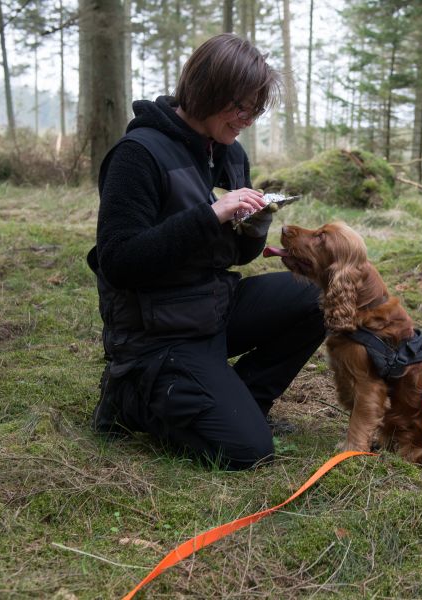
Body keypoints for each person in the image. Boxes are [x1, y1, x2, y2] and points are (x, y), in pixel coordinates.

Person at [86, 33, 325, 470]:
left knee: (319, 298)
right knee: (249, 453)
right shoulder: (137, 155)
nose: (247, 119)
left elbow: (232, 256)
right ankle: (128, 397)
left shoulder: (231, 154)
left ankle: (248, 402)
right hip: (157, 332)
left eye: (255, 109)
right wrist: (210, 215)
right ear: (206, 89)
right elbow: (118, 261)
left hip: (212, 306)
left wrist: (253, 229)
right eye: (240, 106)